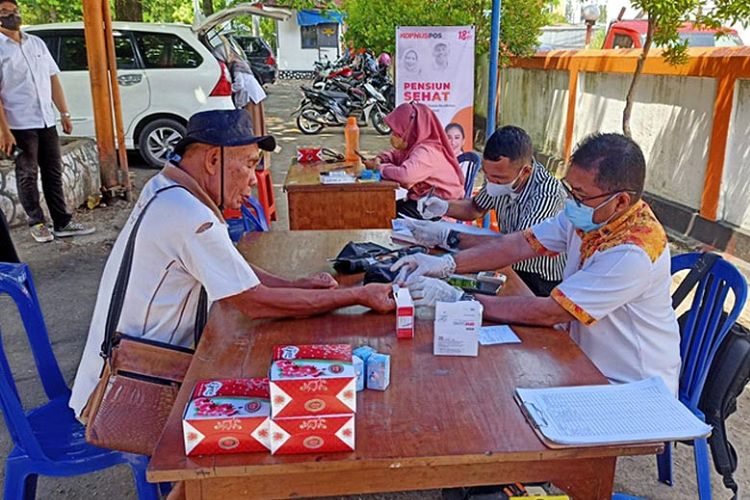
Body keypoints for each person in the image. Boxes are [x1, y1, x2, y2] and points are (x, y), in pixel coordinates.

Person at [69, 110, 396, 417]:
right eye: (250, 164)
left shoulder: (166, 187)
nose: (253, 179)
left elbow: (230, 268)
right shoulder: (190, 216)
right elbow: (256, 303)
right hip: (122, 395)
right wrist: (357, 296)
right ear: (213, 160)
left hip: (126, 369)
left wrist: (297, 285)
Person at [393, 133, 681, 394]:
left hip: (631, 383)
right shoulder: (591, 214)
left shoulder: (632, 253)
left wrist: (460, 299)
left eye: (580, 194)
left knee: (504, 394)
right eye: (571, 189)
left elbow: (551, 312)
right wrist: (448, 265)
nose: (571, 201)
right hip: (581, 352)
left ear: (620, 201)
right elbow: (519, 244)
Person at [411, 126, 566, 296]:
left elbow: (518, 246)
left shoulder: (547, 193)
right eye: (487, 175)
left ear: (525, 172)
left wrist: (450, 237)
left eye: (499, 179)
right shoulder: (498, 177)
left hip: (538, 279)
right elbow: (475, 208)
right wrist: (444, 207)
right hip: (506, 264)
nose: (491, 182)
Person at [0, 0, 95, 243]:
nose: (12, 15)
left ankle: (62, 221)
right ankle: (38, 223)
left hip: (46, 120)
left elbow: (52, 79)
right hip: (19, 123)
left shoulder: (36, 43)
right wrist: (4, 131)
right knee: (27, 174)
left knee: (53, 171)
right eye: (4, 12)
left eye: (14, 9)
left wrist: (64, 112)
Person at [363, 102, 464, 219]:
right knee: (383, 210)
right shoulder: (415, 146)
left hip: (439, 209)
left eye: (397, 132)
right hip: (423, 201)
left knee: (383, 217)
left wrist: (379, 168)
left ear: (411, 129)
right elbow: (396, 155)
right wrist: (380, 158)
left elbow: (405, 176)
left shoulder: (427, 151)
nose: (394, 135)